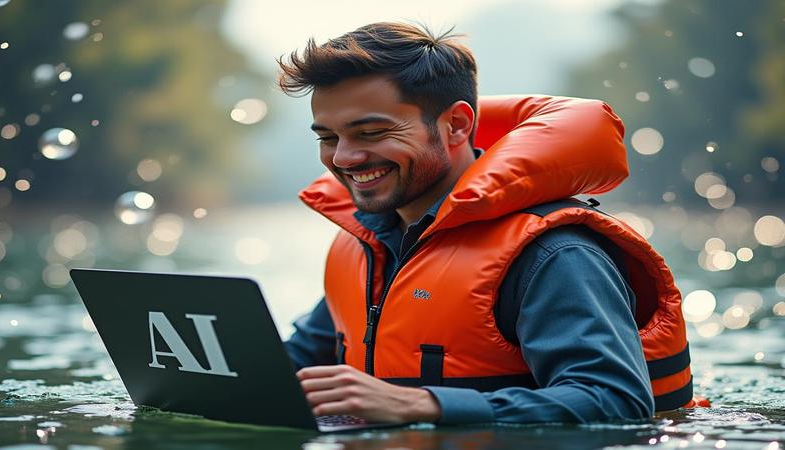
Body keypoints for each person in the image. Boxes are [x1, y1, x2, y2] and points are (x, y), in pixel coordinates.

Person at [276, 22, 703, 425]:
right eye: (327, 138)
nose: (344, 157)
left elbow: (617, 401)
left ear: (456, 125)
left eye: (370, 133)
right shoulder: (366, 244)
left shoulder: (555, 253)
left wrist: (422, 405)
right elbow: (290, 367)